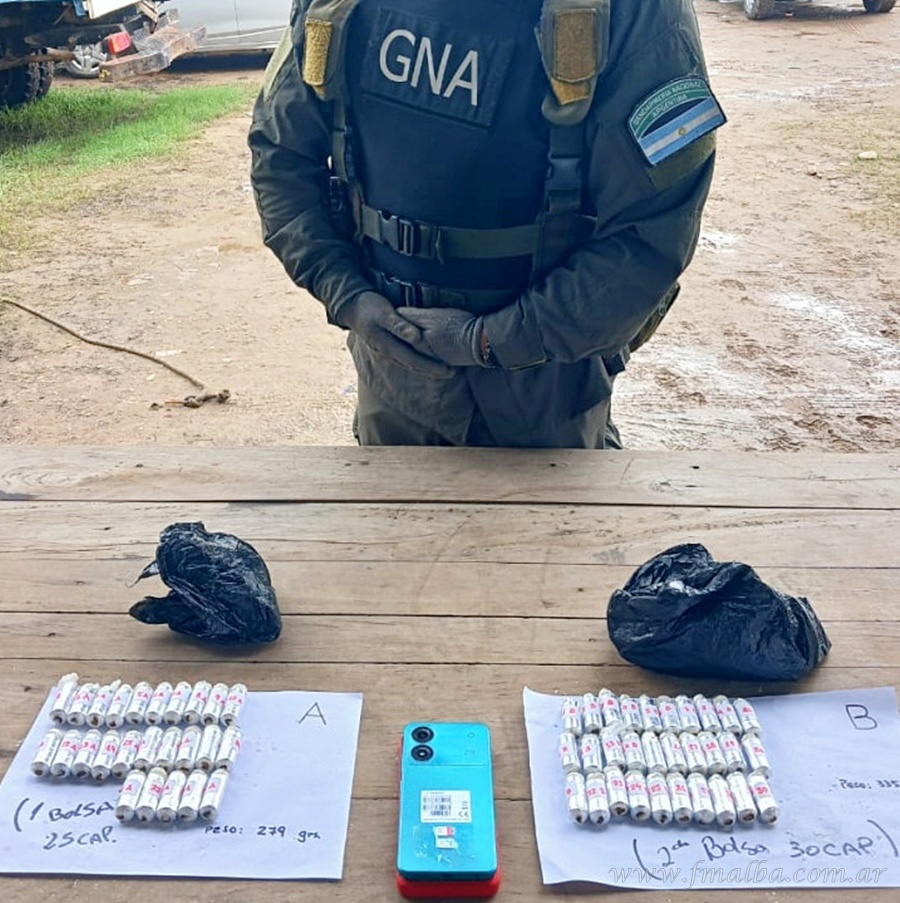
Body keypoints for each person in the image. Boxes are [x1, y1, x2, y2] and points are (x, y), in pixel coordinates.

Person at [249, 0, 724, 448]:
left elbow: (653, 234)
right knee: (390, 511)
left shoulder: (635, 12)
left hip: (545, 400)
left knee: (559, 513)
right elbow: (280, 157)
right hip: (393, 385)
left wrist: (492, 341)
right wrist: (347, 295)